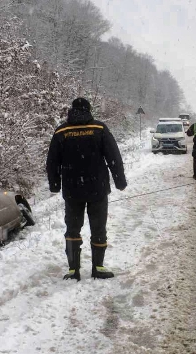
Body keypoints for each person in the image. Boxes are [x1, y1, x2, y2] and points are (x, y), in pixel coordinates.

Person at [46, 97, 127, 281]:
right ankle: (98, 267)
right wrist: (119, 181)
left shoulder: (62, 131)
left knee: (73, 229)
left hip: (72, 191)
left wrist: (55, 184)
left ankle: (73, 270)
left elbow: (52, 162)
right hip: (97, 189)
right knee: (98, 229)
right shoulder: (99, 128)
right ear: (89, 110)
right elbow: (114, 156)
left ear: (71, 111)